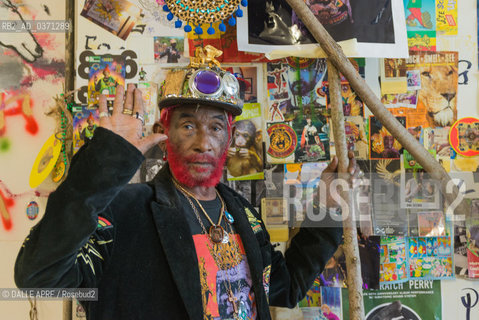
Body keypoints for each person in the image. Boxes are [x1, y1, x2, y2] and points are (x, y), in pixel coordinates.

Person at [14, 55, 359, 319]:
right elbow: (39, 276)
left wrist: (326, 210)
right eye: (188, 125)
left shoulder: (244, 216)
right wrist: (105, 162)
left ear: (229, 140)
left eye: (215, 128)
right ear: (165, 136)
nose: (203, 142)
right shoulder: (124, 210)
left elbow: (285, 288)